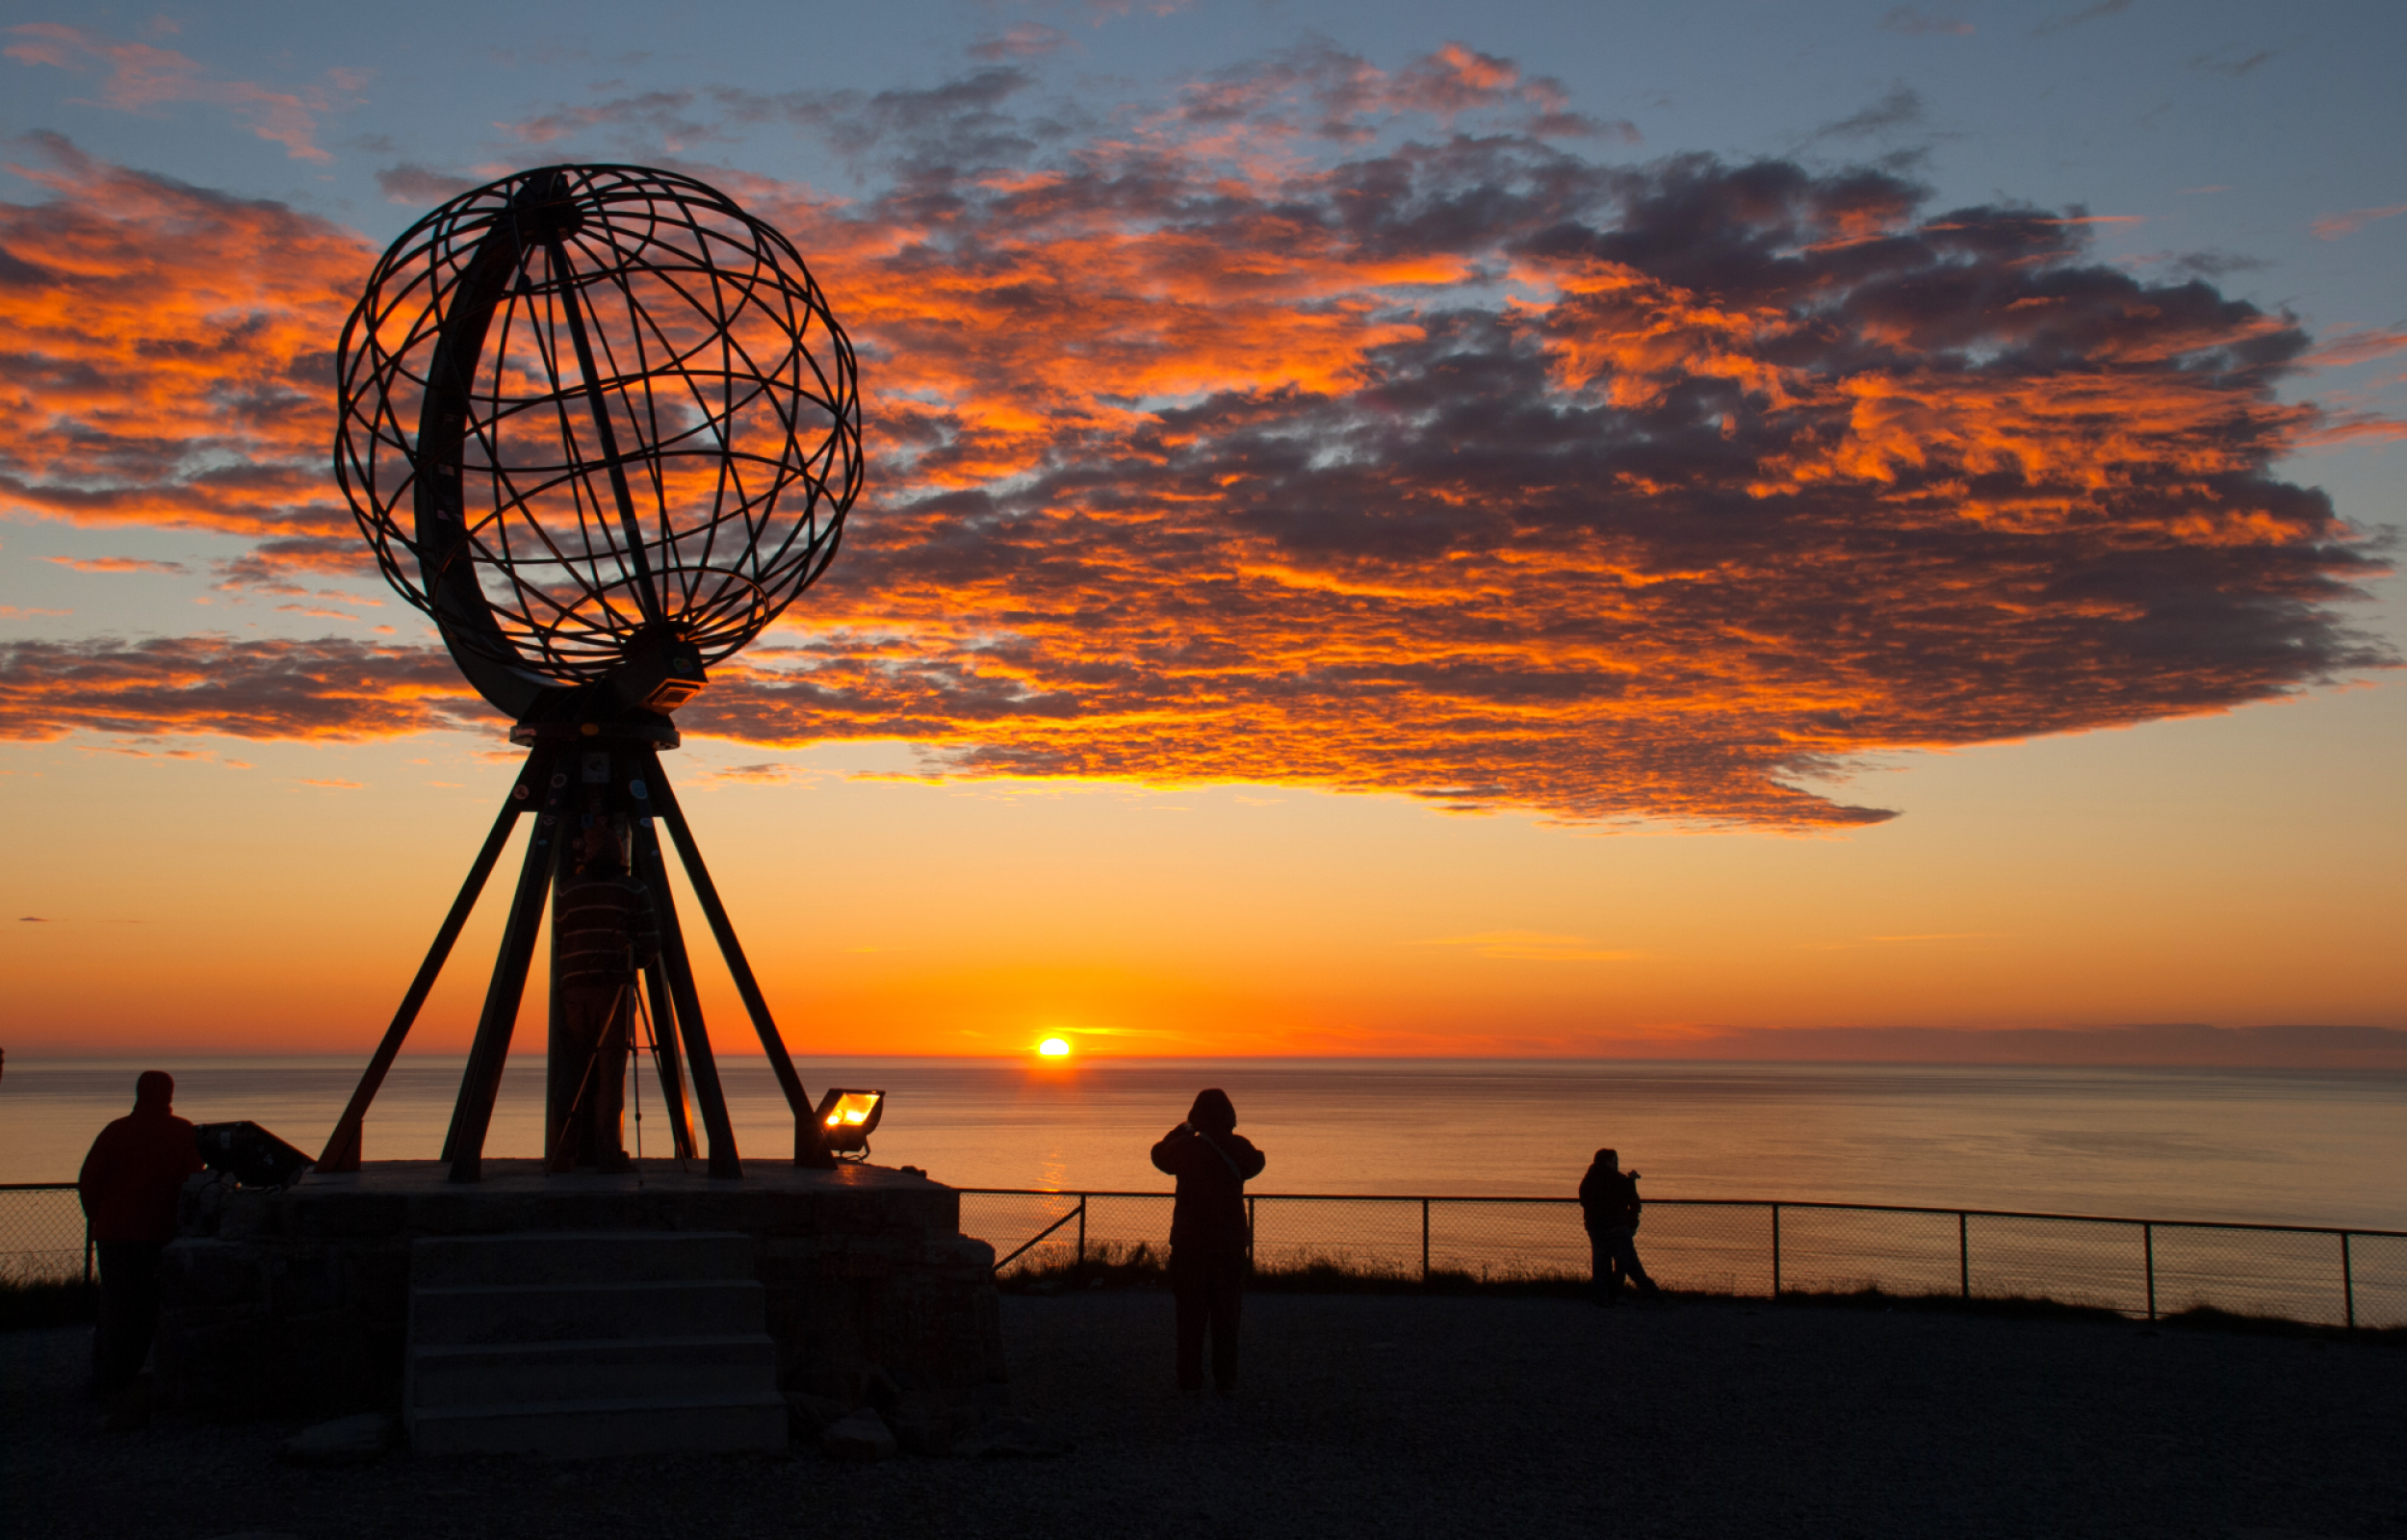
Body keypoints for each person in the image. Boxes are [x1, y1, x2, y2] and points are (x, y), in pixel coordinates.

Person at [77, 1071, 204, 1403]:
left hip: (113, 1233)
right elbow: (194, 1182)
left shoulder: (115, 1131)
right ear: (169, 1095)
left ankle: (108, 1376)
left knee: (115, 1305)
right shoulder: (183, 1132)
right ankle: (135, 1374)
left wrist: (98, 1217)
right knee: (150, 1306)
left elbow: (89, 1180)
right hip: (159, 1233)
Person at [548, 821, 662, 1171]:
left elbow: (560, 936)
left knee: (573, 1070)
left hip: (574, 990)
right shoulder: (634, 890)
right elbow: (651, 943)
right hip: (615, 988)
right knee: (611, 1073)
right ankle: (608, 1154)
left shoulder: (566, 892)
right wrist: (632, 956)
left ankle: (561, 1153)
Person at [1150, 1089, 1266, 1398]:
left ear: (1196, 1116)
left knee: (1189, 1318)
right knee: (1227, 1318)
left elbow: (1158, 1155)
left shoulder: (1185, 1148)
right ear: (1230, 1116)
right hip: (1229, 1246)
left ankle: (1189, 1380)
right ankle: (1225, 1381)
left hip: (1189, 1245)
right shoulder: (1239, 1148)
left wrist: (1182, 1130)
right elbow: (1257, 1162)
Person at [1578, 1147, 1660, 1305]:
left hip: (1595, 1228)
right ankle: (1651, 1295)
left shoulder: (1588, 1180)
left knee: (1601, 1264)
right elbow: (1631, 1199)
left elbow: (1584, 1201)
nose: (1617, 1164)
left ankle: (1603, 1296)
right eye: (1615, 1161)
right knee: (1630, 1264)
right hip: (1616, 1226)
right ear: (1609, 1161)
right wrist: (1631, 1182)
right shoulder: (1617, 1179)